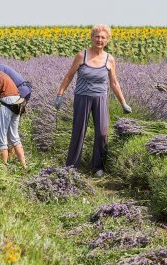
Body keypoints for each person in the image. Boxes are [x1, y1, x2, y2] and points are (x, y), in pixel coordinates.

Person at [54, 24, 131, 177]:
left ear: (107, 40)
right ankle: (72, 167)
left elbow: (114, 83)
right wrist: (60, 94)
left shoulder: (110, 59)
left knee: (102, 133)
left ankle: (97, 167)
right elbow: (69, 76)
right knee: (78, 131)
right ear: (91, 38)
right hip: (82, 98)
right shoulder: (82, 55)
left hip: (100, 98)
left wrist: (123, 102)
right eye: (97, 36)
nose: (99, 40)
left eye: (103, 37)